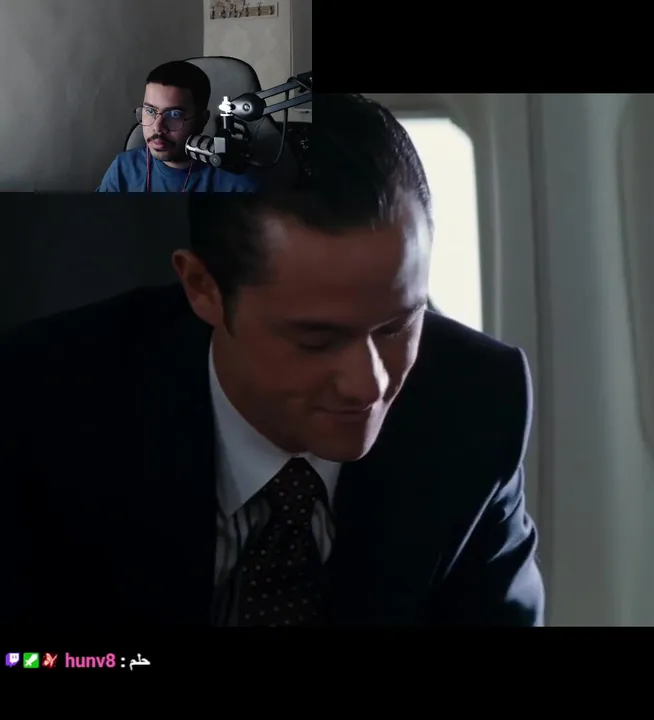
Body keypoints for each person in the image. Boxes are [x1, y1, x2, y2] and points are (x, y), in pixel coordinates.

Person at [0, 93, 544, 627]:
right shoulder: (43, 399)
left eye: (397, 326)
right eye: (316, 339)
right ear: (203, 288)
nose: (368, 385)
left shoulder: (478, 402)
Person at [96, 61, 262, 193]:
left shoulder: (237, 182)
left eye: (174, 115)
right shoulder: (124, 168)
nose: (157, 128)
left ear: (202, 120)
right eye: (150, 111)